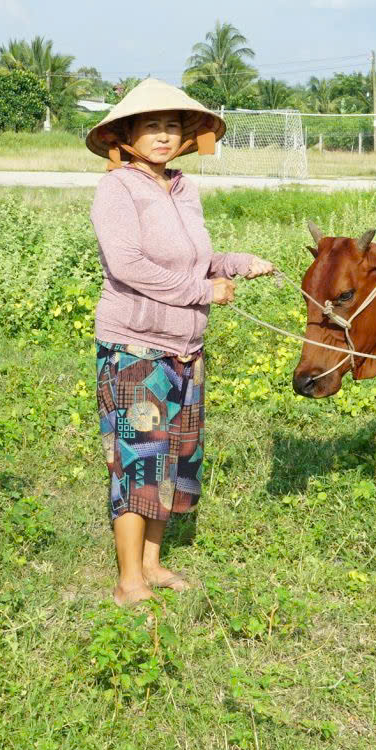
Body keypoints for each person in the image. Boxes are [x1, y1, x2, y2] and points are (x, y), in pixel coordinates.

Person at [83, 80, 274, 607]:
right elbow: (129, 265)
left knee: (173, 459)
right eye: (151, 126)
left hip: (186, 350)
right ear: (126, 134)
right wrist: (202, 291)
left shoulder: (184, 187)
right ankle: (128, 581)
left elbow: (192, 256)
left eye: (172, 126)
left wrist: (234, 265)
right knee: (137, 460)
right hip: (135, 351)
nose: (164, 136)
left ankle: (152, 563)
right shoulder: (117, 189)